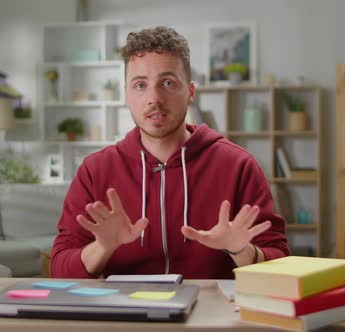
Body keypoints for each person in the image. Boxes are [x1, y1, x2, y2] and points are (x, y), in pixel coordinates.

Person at [51, 26, 289, 279]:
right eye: (140, 85)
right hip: (127, 314)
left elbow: (280, 263)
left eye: (167, 83)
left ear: (190, 92)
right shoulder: (94, 171)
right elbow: (59, 271)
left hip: (212, 314)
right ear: (127, 95)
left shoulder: (239, 165)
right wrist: (103, 246)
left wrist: (242, 250)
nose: (154, 98)